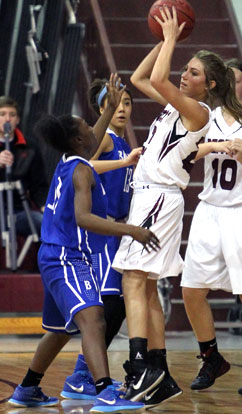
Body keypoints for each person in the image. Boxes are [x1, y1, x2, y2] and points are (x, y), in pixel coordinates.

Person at [8, 74, 162, 413]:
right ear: (78, 140)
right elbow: (84, 218)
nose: (92, 130)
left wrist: (108, 106)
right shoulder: (81, 171)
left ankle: (28, 387)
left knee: (61, 330)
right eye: (84, 127)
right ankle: (106, 392)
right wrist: (131, 230)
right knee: (94, 320)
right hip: (67, 256)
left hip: (53, 254)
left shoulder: (71, 159)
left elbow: (93, 137)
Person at [112, 6, 238, 409]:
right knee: (146, 286)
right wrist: (163, 40)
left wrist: (170, 39)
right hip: (153, 195)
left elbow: (159, 79)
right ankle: (160, 371)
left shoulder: (197, 112)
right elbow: (139, 79)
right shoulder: (177, 102)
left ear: (211, 84)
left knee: (132, 279)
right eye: (186, 69)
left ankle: (137, 369)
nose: (186, 75)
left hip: (159, 196)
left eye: (195, 73)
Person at [61, 78, 135, 399]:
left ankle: (85, 374)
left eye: (127, 103)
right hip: (101, 233)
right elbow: (84, 164)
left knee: (116, 308)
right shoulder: (104, 141)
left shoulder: (123, 141)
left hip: (119, 232)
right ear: (102, 107)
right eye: (115, 102)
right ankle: (82, 374)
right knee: (110, 307)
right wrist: (124, 162)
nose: (122, 108)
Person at [181, 57, 242, 392]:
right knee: (191, 290)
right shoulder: (208, 116)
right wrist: (217, 145)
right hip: (209, 209)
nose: (234, 83)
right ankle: (211, 357)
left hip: (240, 212)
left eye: (238, 78)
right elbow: (189, 151)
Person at [0, 96, 48, 238]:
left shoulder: (30, 147)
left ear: (18, 120)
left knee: (45, 224)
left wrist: (44, 206)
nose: (7, 119)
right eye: (2, 114)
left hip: (19, 211)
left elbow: (39, 185)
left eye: (12, 115)